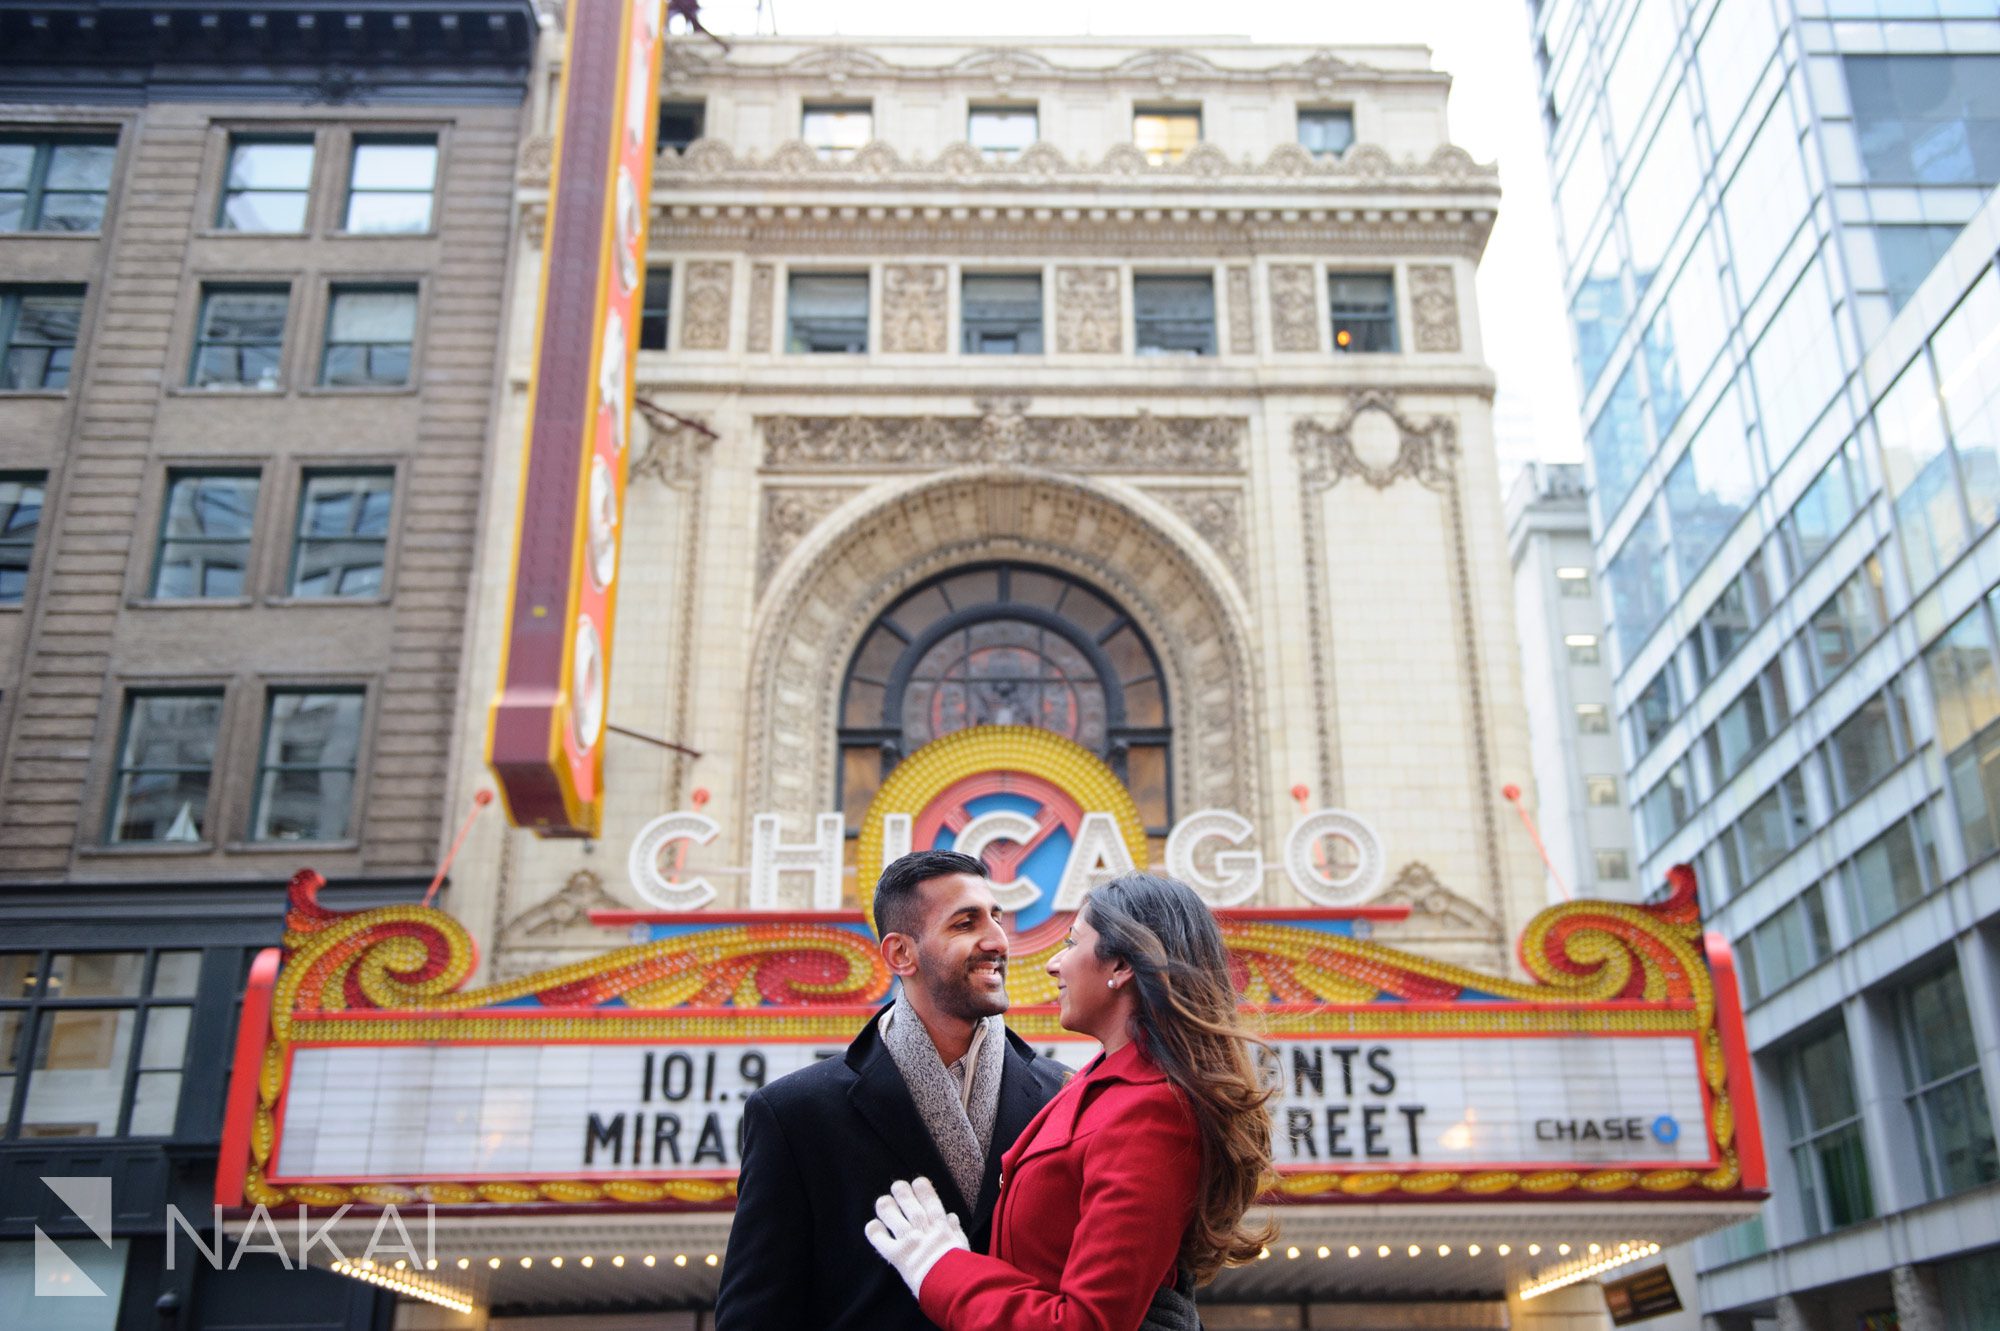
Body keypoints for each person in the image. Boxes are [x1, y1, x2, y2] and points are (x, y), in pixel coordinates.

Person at [865, 872, 1274, 1331]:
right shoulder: (1097, 1086)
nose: (1053, 964)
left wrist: (939, 1267)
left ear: (1120, 966)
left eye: (1072, 942)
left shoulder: (1152, 1111)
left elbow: (1083, 1323)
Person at [714, 849, 1070, 1331]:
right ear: (901, 953)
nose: (997, 940)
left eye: (996, 918)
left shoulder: (1064, 1095)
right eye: (966, 923)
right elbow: (754, 1317)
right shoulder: (794, 1114)